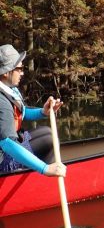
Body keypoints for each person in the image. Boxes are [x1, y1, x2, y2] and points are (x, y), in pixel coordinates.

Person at [0, 44, 66, 177]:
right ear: (6, 72)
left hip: (12, 145)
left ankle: (34, 174)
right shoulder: (1, 101)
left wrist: (43, 112)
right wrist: (44, 168)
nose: (22, 73)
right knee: (48, 139)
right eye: (19, 69)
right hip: (3, 158)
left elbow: (22, 113)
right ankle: (39, 176)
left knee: (48, 133)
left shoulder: (10, 89)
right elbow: (7, 143)